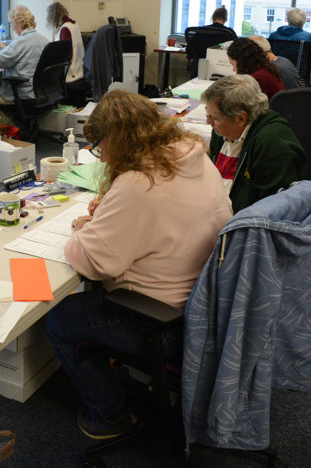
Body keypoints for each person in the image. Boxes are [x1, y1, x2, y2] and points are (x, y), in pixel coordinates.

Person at [45, 90, 233, 440]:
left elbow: (91, 262)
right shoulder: (194, 157)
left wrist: (81, 228)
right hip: (206, 309)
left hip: (163, 324)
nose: (101, 156)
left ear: (116, 140)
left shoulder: (138, 183)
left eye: (100, 148)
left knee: (59, 319)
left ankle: (109, 415)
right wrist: (110, 215)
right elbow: (164, 218)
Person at [202, 74, 307, 213]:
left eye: (214, 117)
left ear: (240, 118)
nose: (208, 122)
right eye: (207, 114)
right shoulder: (222, 132)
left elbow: (273, 213)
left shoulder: (272, 145)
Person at [0, 5, 48, 103]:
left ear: (19, 23)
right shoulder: (44, 40)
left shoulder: (20, 43)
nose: (13, 29)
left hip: (21, 94)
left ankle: (3, 118)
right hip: (41, 94)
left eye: (12, 24)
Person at [46, 1, 88, 105]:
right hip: (80, 70)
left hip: (70, 74)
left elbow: (67, 54)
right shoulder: (73, 24)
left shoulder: (64, 29)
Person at [269, 7, 311, 75]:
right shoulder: (307, 37)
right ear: (304, 20)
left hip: (276, 74)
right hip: (299, 77)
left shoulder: (273, 35)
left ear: (288, 19)